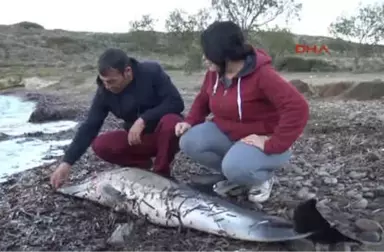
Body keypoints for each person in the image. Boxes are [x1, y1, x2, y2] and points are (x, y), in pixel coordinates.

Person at [174, 21, 309, 203]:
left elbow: (298, 108)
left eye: (209, 53)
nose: (205, 57)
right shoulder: (215, 73)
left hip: (261, 138)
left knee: (235, 166)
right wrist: (190, 121)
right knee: (189, 141)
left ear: (224, 54)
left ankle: (260, 177)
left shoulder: (263, 75)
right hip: (229, 132)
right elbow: (204, 98)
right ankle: (236, 174)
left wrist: (272, 143)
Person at [50, 48, 185, 189]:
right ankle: (142, 168)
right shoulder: (105, 91)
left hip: (165, 135)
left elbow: (176, 102)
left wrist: (144, 119)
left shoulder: (151, 72)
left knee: (172, 122)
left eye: (111, 81)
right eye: (104, 81)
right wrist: (66, 163)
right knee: (101, 145)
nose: (107, 86)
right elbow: (90, 126)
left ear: (127, 72)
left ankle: (162, 174)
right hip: (137, 139)